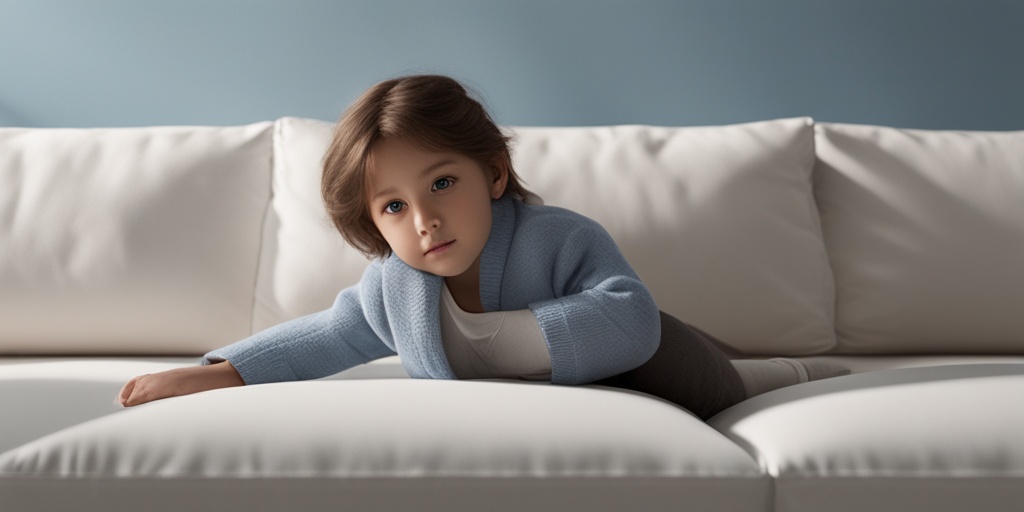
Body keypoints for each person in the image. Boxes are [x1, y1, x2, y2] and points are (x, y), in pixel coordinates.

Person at [118, 75, 847, 419]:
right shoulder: (395, 287)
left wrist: (513, 338)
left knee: (732, 381)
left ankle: (798, 369)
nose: (425, 222)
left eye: (442, 184)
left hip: (655, 363)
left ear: (493, 172)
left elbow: (631, 319)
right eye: (395, 207)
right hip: (585, 389)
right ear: (376, 225)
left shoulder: (559, 237)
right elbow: (328, 337)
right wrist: (216, 373)